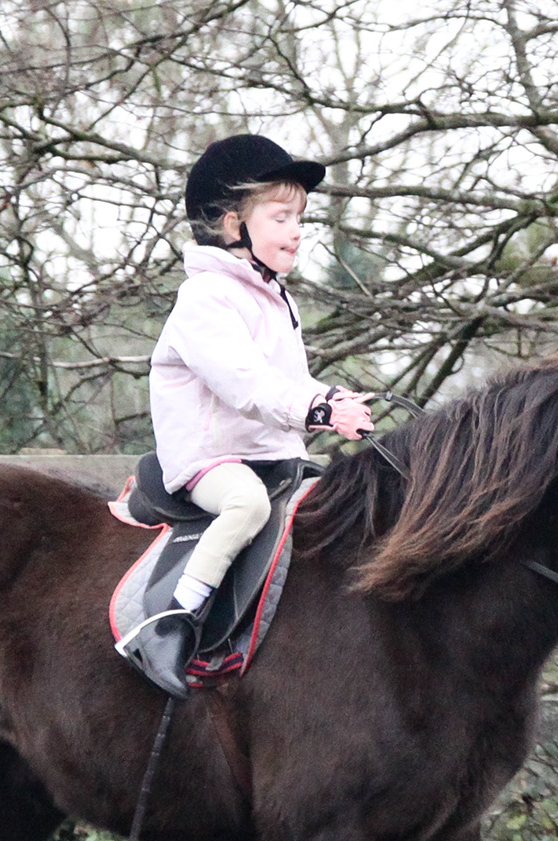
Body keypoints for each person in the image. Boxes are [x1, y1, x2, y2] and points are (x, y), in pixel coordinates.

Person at [119, 134, 372, 697]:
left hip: (271, 453)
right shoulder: (205, 298)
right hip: (213, 460)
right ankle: (171, 621)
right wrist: (315, 408)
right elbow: (245, 385)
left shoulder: (274, 298)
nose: (297, 229)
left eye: (299, 217)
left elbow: (292, 383)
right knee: (246, 505)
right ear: (234, 225)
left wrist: (334, 400)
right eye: (282, 216)